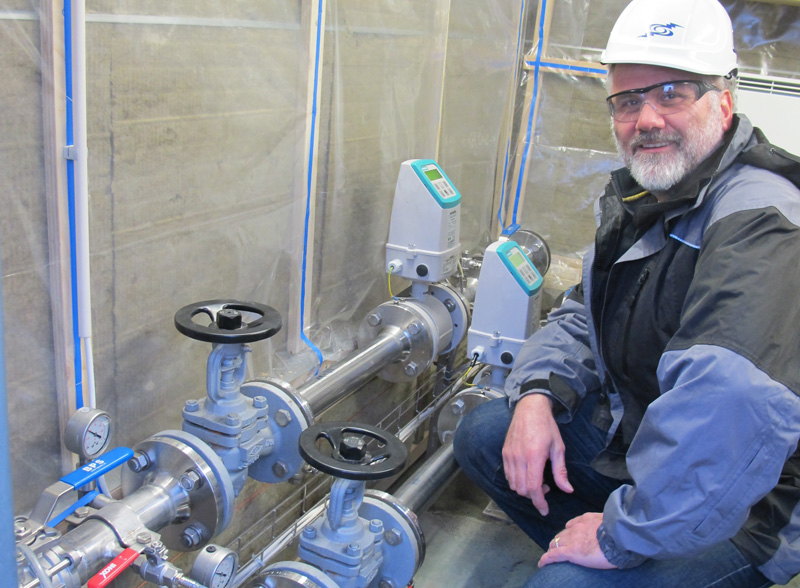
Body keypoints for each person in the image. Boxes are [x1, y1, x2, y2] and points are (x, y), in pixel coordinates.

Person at [453, 0, 800, 586]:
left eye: (671, 94)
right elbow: (582, 316)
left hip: (752, 501)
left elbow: (728, 407)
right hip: (655, 451)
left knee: (564, 585)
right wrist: (538, 393)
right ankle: (599, 548)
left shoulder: (760, 219)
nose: (647, 118)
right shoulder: (655, 195)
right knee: (486, 434)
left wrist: (620, 537)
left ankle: (624, 555)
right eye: (630, 99)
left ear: (725, 99)